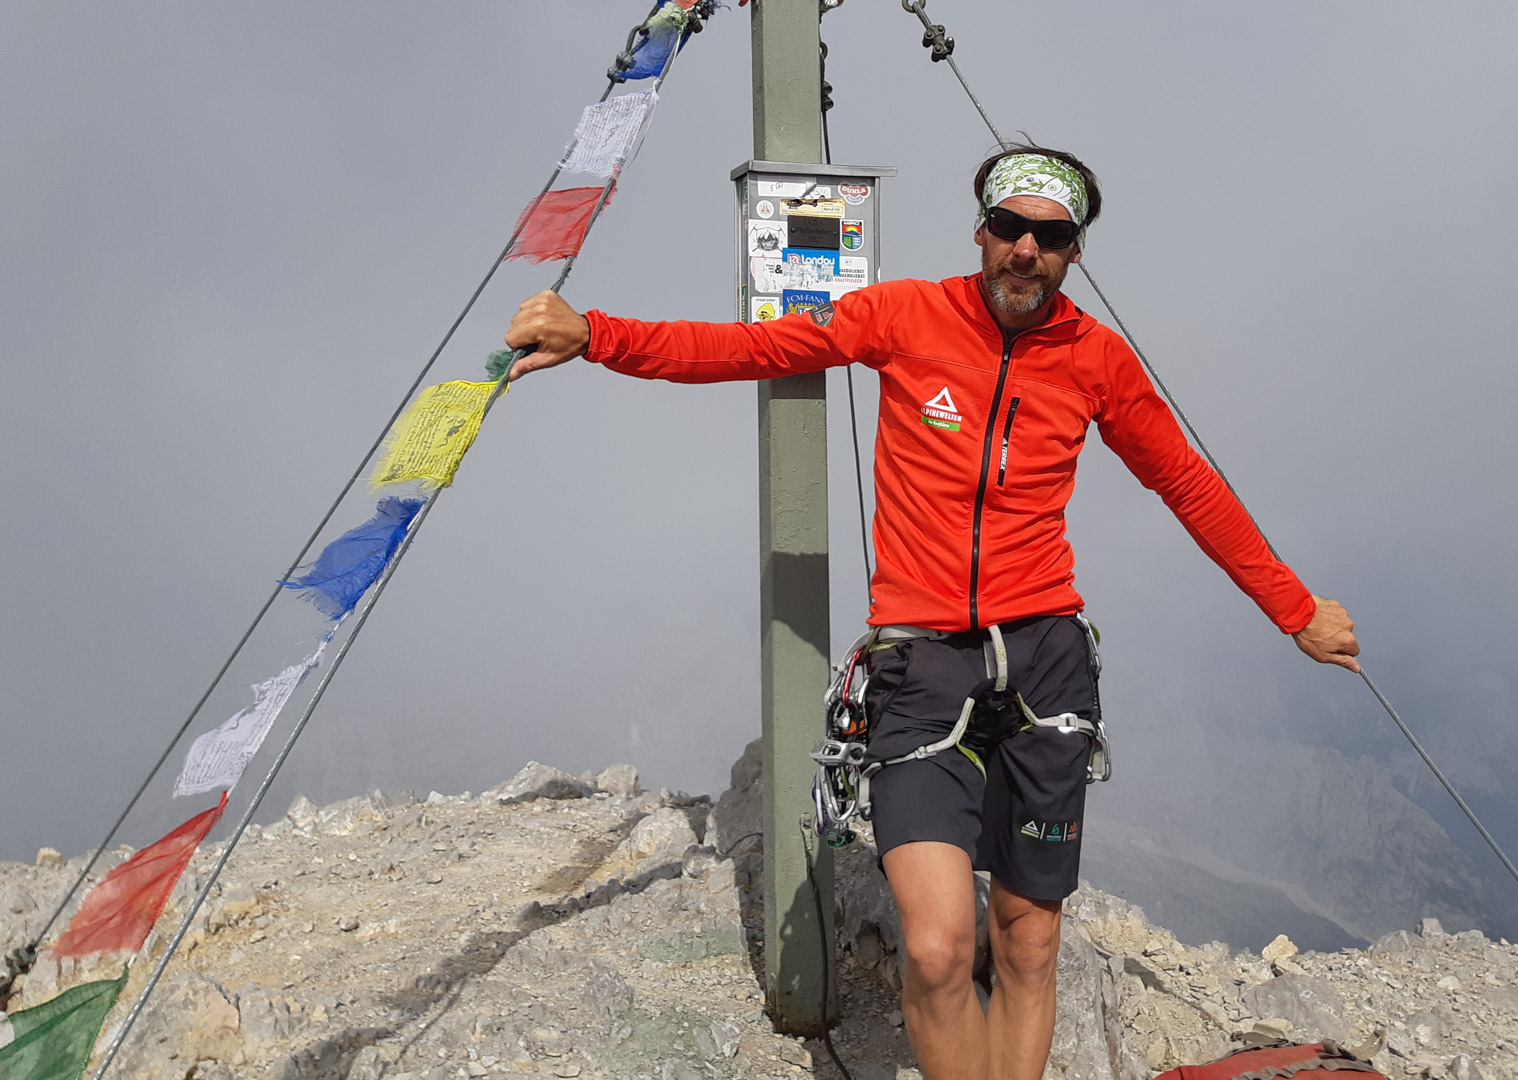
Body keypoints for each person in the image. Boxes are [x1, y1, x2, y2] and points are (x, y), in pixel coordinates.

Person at [503, 146, 1359, 1080]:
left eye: (1051, 236)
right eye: (1011, 227)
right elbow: (755, 348)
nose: (1026, 250)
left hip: (1045, 664)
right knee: (939, 947)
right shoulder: (905, 316)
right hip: (920, 666)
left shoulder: (1097, 360)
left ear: (1075, 252)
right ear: (981, 232)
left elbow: (1187, 482)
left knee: (1028, 943)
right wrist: (597, 335)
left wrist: (1294, 609)